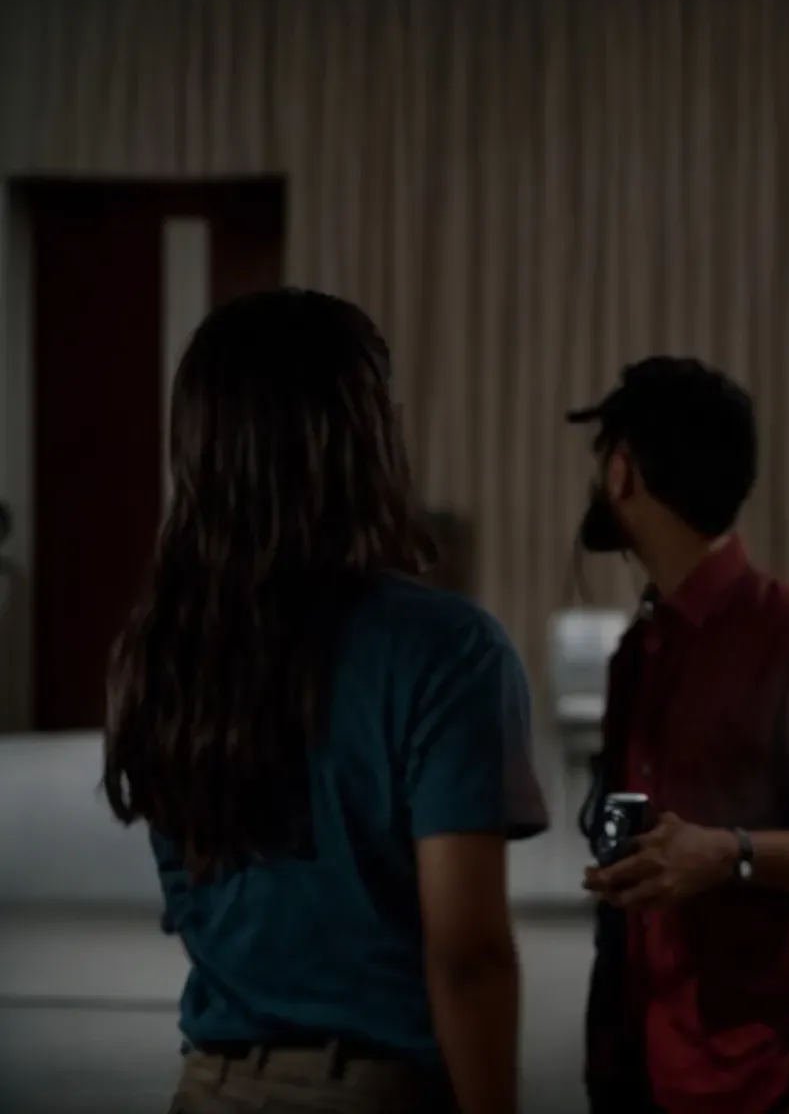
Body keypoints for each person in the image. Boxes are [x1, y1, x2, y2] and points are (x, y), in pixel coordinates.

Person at [103, 289, 548, 1114]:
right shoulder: (448, 648)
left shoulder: (165, 646)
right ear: (364, 439)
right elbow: (467, 955)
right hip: (377, 1090)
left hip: (209, 1083)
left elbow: (195, 904)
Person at [572, 356, 789, 1114]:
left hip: (771, 1080)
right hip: (640, 1070)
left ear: (622, 472)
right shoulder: (643, 650)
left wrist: (732, 853)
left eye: (602, 462)